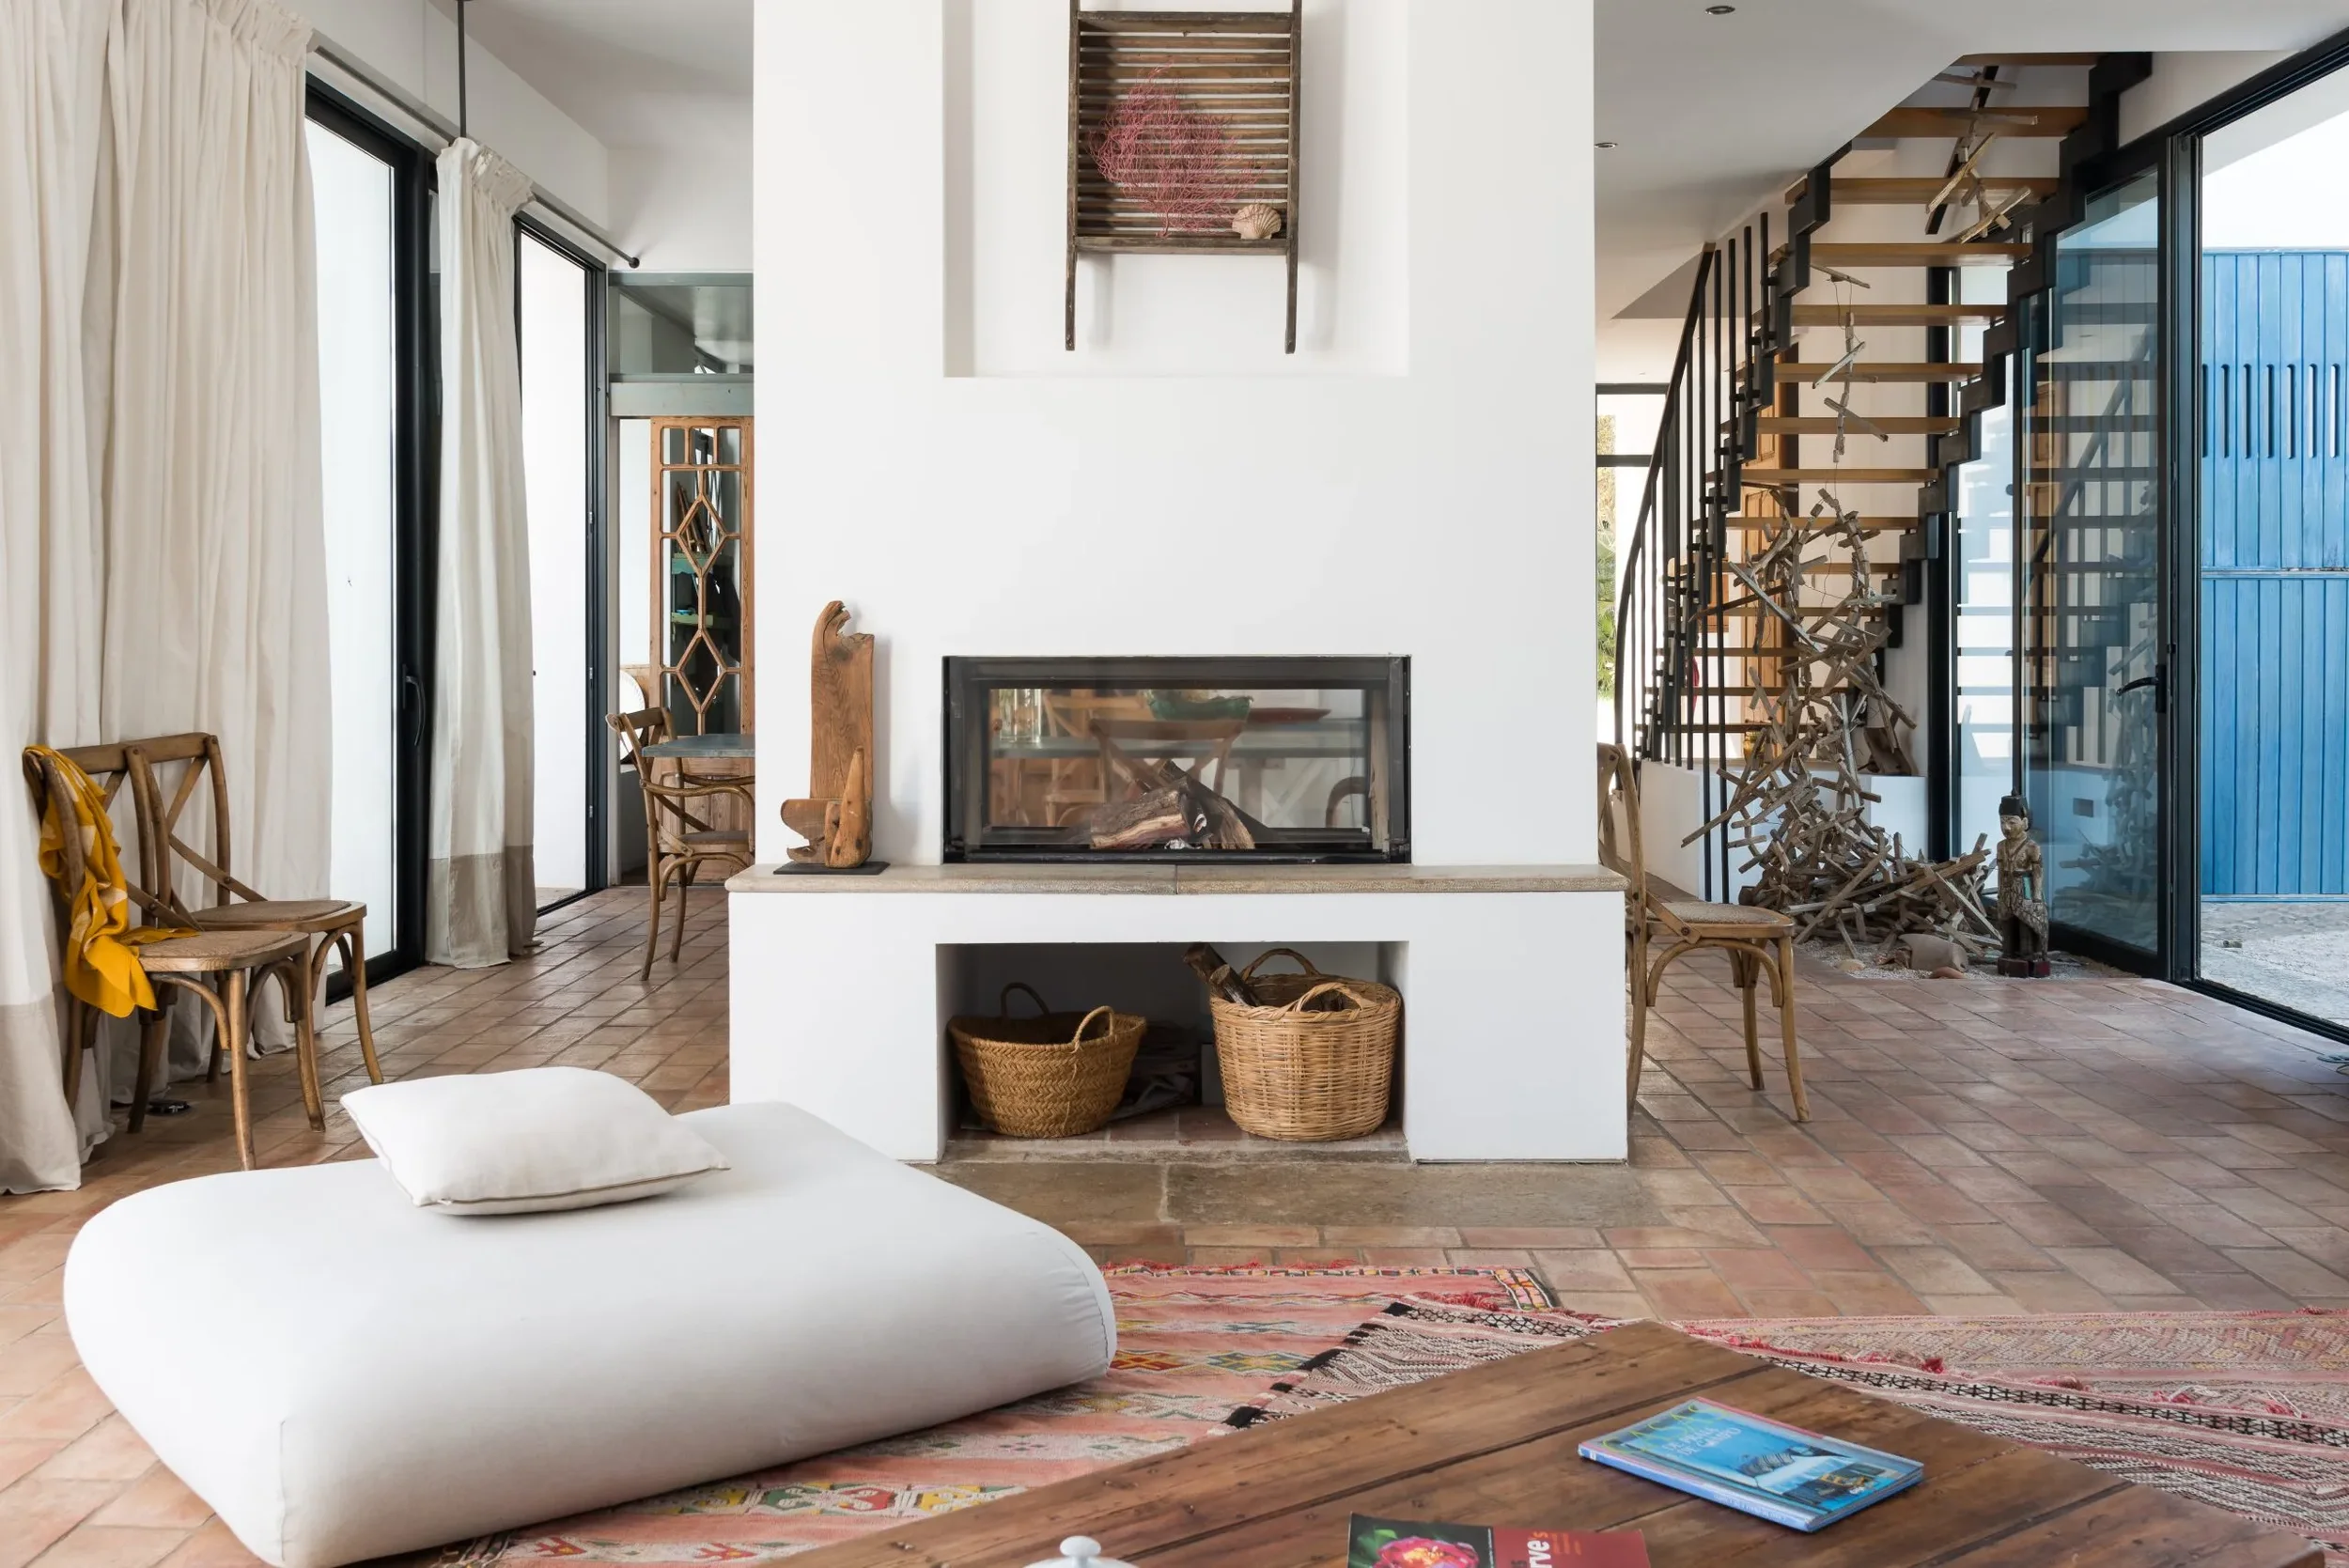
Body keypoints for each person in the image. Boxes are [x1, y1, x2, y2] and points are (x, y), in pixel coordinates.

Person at [1995, 793, 2050, 977]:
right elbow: (2001, 870)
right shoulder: (2001, 846)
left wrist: (2036, 896)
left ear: (2024, 823)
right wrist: (2000, 892)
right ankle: (2009, 954)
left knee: (2026, 922)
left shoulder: (2032, 847)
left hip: (2025, 888)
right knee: (2007, 923)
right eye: (2003, 822)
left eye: (2012, 822)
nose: (2006, 828)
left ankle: (2028, 957)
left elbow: (2038, 872)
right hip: (2008, 888)